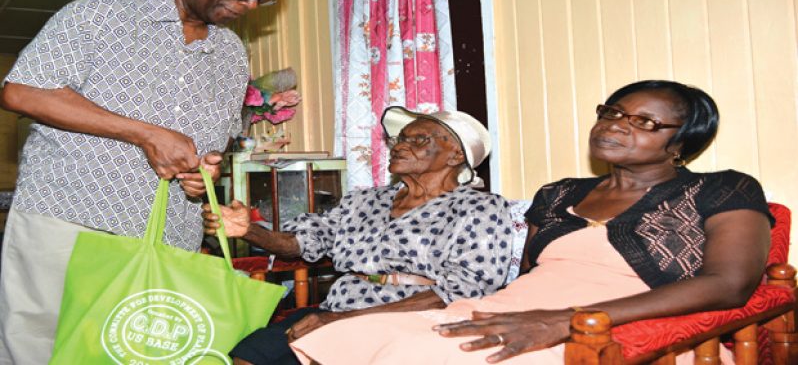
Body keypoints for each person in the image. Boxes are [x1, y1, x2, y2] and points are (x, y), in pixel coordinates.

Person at [288, 80, 774, 364]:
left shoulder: (722, 188)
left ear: (681, 143)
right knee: (348, 338)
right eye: (612, 112)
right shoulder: (560, 193)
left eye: (644, 121)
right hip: (505, 311)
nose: (615, 124)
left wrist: (562, 322)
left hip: (616, 330)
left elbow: (728, 285)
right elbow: (527, 277)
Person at [0, 0, 286, 363]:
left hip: (167, 239)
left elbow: (212, 148)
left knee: (135, 354)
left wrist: (203, 170)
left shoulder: (231, 56)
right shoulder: (100, 14)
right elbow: (21, 91)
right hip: (70, 221)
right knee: (41, 349)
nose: (250, 5)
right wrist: (146, 134)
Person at [201, 106, 514, 365]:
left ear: (456, 156)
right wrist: (250, 230)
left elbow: (463, 292)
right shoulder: (365, 200)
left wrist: (344, 320)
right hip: (336, 309)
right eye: (400, 139)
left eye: (419, 140)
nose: (401, 145)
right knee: (244, 357)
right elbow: (304, 241)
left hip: (410, 321)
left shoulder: (480, 208)